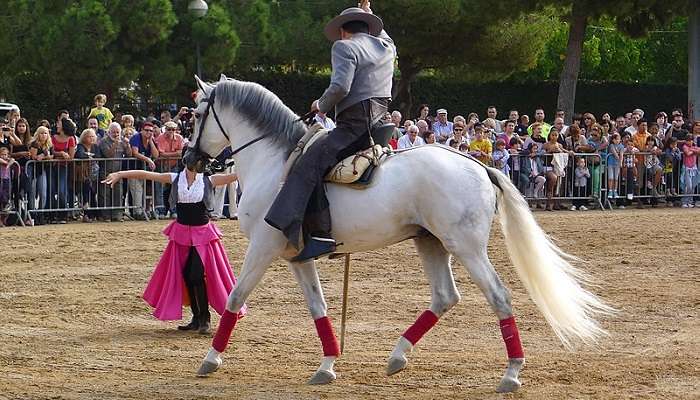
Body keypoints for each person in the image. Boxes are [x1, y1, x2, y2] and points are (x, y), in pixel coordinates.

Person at [264, 3, 396, 261]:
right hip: (382, 123)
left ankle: (321, 234)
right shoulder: (386, 47)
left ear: (344, 31)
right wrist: (369, 13)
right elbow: (386, 36)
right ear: (367, 29)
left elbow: (340, 87)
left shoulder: (344, 46)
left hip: (354, 126)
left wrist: (320, 105)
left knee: (306, 164)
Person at [102, 163, 245, 334]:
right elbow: (147, 174)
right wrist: (120, 173)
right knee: (187, 276)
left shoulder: (209, 180)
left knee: (196, 274)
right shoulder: (176, 178)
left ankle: (204, 317)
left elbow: (238, 174)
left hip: (202, 234)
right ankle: (196, 317)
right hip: (182, 234)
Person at [129, 121, 160, 220]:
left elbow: (156, 155)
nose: (149, 132)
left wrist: (150, 141)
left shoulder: (152, 140)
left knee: (148, 190)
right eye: (146, 130)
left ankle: (147, 210)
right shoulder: (136, 137)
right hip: (133, 169)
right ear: (141, 130)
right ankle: (137, 212)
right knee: (137, 190)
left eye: (151, 131)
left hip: (146, 170)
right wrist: (148, 159)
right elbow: (135, 153)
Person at [28, 126, 53, 225]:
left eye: (45, 133)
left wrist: (43, 156)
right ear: (38, 134)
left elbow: (52, 156)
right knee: (32, 193)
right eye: (42, 133)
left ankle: (41, 213)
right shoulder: (35, 144)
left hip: (42, 170)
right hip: (34, 170)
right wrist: (44, 156)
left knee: (43, 193)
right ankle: (33, 213)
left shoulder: (49, 144)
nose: (44, 135)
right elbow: (34, 157)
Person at [75, 129, 100, 222]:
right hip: (83, 174)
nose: (92, 138)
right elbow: (80, 155)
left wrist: (88, 155)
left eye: (93, 136)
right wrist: (89, 156)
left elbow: (98, 156)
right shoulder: (80, 146)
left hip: (94, 173)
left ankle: (93, 213)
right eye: (89, 136)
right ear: (84, 137)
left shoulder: (95, 147)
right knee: (86, 191)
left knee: (93, 193)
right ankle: (86, 213)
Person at [681, 136, 699, 208]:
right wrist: (694, 151)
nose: (690, 142)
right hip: (686, 168)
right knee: (688, 186)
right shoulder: (685, 146)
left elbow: (699, 151)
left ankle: (690, 201)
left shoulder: (694, 146)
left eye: (691, 140)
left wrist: (693, 150)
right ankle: (684, 201)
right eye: (688, 140)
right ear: (686, 141)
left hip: (694, 168)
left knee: (693, 186)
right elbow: (687, 153)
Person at [606, 133, 623, 200]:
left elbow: (621, 154)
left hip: (617, 164)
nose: (617, 140)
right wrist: (619, 159)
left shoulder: (621, 146)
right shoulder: (611, 145)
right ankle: (610, 191)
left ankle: (615, 191)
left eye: (618, 139)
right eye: (615, 139)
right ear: (613, 140)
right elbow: (615, 153)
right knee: (611, 177)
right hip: (611, 163)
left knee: (616, 178)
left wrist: (620, 162)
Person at [0, 145, 16, 213]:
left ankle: (6, 205)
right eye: (2, 154)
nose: (4, 156)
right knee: (1, 193)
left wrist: (8, 164)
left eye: (6, 154)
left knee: (6, 192)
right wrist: (6, 163)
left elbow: (13, 160)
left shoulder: (8, 159)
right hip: (1, 179)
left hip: (7, 179)